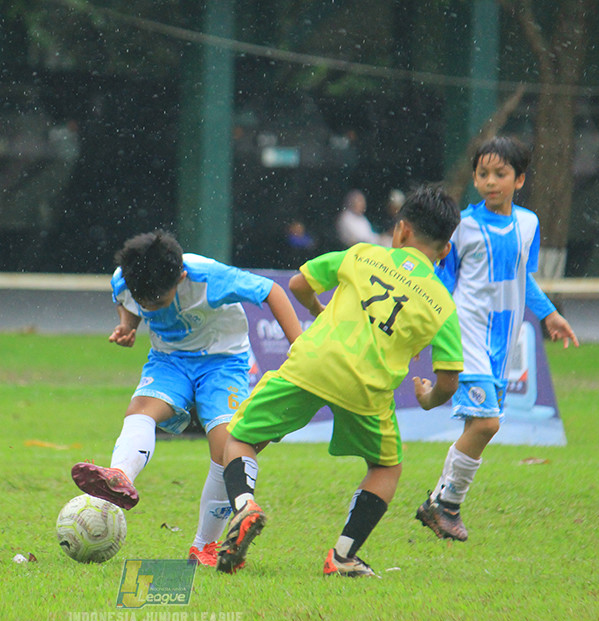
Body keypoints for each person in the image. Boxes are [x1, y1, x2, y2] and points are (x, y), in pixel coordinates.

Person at [215, 184, 464, 577]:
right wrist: (429, 398)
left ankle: (245, 506)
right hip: (366, 389)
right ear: (445, 251)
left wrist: (320, 308)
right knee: (386, 468)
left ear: (400, 231)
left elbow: (299, 284)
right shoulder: (443, 304)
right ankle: (343, 556)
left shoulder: (364, 254)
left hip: (313, 363)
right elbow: (448, 380)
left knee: (241, 436)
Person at [70, 230, 302, 566]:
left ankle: (204, 545)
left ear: (181, 277)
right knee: (141, 409)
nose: (150, 308)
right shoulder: (127, 276)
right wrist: (128, 325)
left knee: (225, 445)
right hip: (170, 361)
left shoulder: (211, 277)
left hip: (223, 362)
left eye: (158, 303)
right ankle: (119, 475)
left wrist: (298, 346)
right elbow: (127, 301)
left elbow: (273, 291)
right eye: (144, 301)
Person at [415, 136, 578, 543]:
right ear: (474, 178)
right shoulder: (463, 227)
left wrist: (550, 314)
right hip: (465, 332)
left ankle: (439, 503)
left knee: (480, 423)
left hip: (502, 342)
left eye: (499, 174)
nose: (490, 181)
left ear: (519, 180)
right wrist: (425, 324)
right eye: (483, 174)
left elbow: (522, 277)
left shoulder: (528, 224)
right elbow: (442, 281)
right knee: (487, 422)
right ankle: (446, 505)